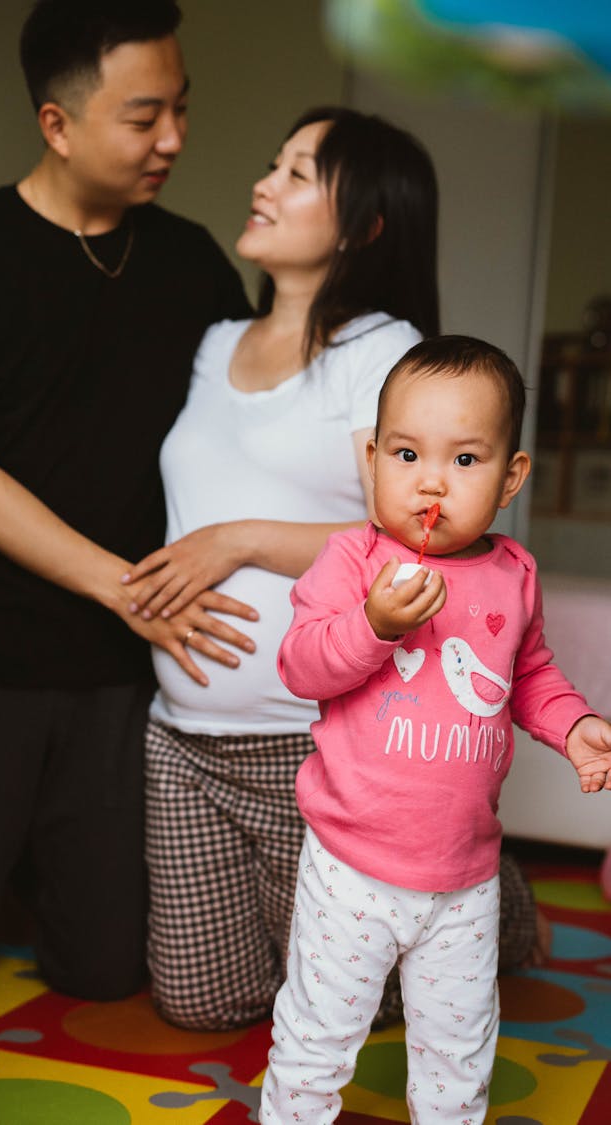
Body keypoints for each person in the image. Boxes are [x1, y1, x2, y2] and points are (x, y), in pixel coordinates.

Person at [0, 0, 254, 1002]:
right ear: (57, 123)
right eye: (142, 116)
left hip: (121, 679)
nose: (172, 138)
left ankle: (39, 865)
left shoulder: (192, 260)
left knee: (107, 972)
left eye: (180, 109)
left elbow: (251, 427)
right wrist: (126, 588)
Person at [119, 106, 440, 1030]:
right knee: (200, 1002)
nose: (264, 183)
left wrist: (243, 539)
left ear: (365, 225)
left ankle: (479, 896)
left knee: (362, 1006)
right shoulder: (217, 344)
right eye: (274, 161)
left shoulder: (379, 349)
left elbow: (415, 531)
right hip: (181, 736)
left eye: (299, 174)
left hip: (317, 741)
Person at [260, 335, 611, 1124]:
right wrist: (374, 623)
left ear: (511, 476)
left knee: (459, 1049)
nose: (429, 481)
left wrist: (576, 722)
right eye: (408, 453)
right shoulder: (352, 561)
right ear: (373, 457)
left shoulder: (513, 573)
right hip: (351, 867)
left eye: (464, 461)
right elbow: (302, 665)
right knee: (317, 1038)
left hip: (464, 875)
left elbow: (530, 677)